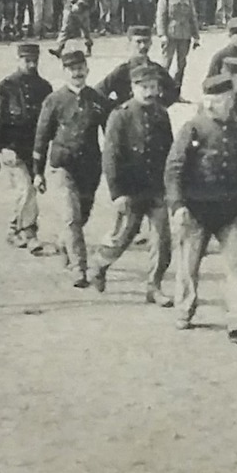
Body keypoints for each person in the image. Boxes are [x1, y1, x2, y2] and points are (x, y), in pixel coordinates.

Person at [165, 74, 237, 343]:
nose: (215, 105)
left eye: (222, 99)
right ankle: (184, 310)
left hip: (230, 214)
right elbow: (174, 169)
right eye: (211, 100)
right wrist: (178, 205)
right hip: (196, 211)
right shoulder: (192, 129)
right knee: (188, 265)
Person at [90, 63, 175, 306]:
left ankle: (154, 286)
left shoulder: (161, 114)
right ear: (133, 88)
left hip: (156, 189)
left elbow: (169, 152)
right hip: (130, 190)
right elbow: (111, 157)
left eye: (153, 87)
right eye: (144, 87)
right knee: (123, 236)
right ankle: (100, 264)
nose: (149, 92)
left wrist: (170, 186)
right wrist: (117, 193)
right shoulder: (121, 116)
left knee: (162, 240)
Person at [31, 47, 111, 287]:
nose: (77, 73)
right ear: (64, 72)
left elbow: (110, 136)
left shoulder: (98, 100)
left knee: (81, 216)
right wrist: (37, 172)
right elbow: (41, 137)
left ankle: (66, 245)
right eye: (72, 69)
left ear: (87, 69)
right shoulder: (54, 101)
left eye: (80, 68)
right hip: (62, 166)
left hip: (89, 168)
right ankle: (80, 269)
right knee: (71, 218)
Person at [0, 42, 53, 253]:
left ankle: (14, 229)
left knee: (29, 191)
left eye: (35, 60)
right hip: (11, 147)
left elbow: (48, 123)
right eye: (27, 60)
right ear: (18, 60)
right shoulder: (6, 87)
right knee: (26, 190)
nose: (31, 65)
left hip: (33, 148)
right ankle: (29, 233)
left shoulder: (44, 87)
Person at [95, 26, 180, 110]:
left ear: (151, 43)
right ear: (129, 44)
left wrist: (160, 104)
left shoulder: (156, 70)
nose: (143, 46)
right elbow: (98, 91)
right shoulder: (122, 71)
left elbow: (174, 90)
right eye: (138, 42)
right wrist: (115, 107)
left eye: (146, 41)